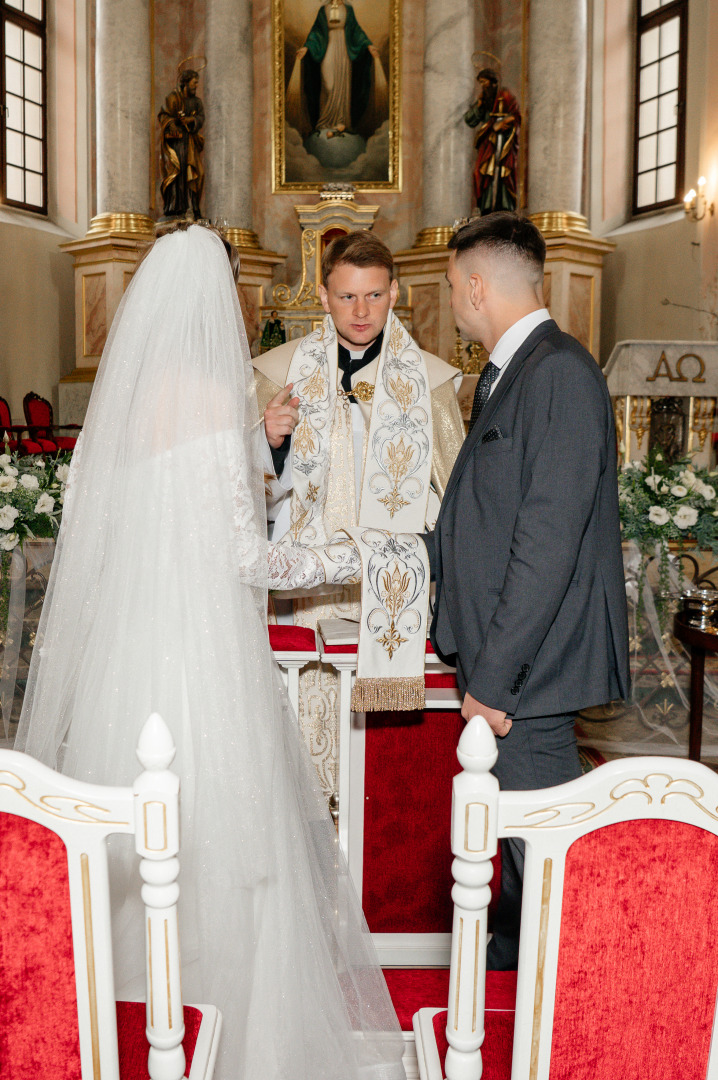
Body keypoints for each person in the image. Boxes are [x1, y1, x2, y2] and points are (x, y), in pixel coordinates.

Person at [15, 223, 406, 1080]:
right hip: (206, 661)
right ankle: (227, 1027)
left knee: (133, 830)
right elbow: (247, 558)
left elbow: (118, 537)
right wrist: (360, 559)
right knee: (222, 833)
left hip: (132, 654)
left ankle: (124, 1019)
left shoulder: (121, 407)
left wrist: (257, 447)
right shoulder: (209, 401)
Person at [425, 212, 629, 970]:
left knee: (545, 873)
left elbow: (546, 546)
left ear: (477, 286)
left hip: (529, 681)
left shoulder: (561, 374)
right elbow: (487, 517)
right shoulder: (519, 369)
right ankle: (514, 1019)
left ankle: (573, 1020)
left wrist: (493, 681)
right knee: (512, 874)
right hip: (514, 671)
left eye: (451, 286)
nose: (452, 301)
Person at [253, 230, 465, 794]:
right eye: (347, 296)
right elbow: (242, 494)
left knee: (384, 766)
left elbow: (456, 493)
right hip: (305, 592)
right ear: (323, 297)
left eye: (373, 295)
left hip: (392, 590)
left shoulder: (431, 381)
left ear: (395, 293)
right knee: (302, 725)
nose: (361, 310)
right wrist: (268, 443)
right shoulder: (279, 375)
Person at [286, 1, 387, 140]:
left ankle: (341, 122)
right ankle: (324, 122)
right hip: (328, 47)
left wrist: (369, 46)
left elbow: (356, 31)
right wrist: (307, 47)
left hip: (344, 51)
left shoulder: (348, 9)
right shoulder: (324, 10)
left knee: (342, 85)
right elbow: (316, 32)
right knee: (328, 84)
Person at [463, 68, 520, 214]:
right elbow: (470, 120)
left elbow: (516, 115)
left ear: (492, 82)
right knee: (481, 173)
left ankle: (504, 205)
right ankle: (486, 206)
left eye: (484, 82)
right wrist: (479, 106)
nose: (482, 85)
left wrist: (503, 123)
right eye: (480, 83)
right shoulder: (485, 99)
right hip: (487, 143)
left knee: (502, 172)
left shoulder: (505, 95)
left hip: (504, 141)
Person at [158, 69, 205, 218]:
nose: (196, 85)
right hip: (176, 143)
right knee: (177, 173)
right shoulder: (173, 98)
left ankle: (193, 207)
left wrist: (191, 120)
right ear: (186, 82)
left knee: (196, 173)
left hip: (189, 141)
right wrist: (172, 123)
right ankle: (175, 207)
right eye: (194, 82)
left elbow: (201, 117)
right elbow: (163, 115)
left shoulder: (197, 102)